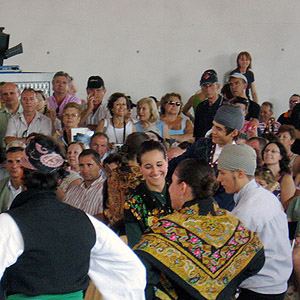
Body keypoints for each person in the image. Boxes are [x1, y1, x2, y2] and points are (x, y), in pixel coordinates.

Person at [0, 134, 146, 299]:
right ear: (60, 179)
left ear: (21, 175)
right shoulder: (86, 221)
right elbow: (131, 270)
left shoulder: (9, 223)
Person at [135, 158, 265, 300]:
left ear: (183, 187)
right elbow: (257, 257)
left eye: (172, 182)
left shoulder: (166, 229)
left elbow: (140, 272)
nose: (170, 188)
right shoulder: (231, 222)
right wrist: (228, 285)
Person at [217, 144, 293, 299]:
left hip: (261, 289)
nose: (219, 179)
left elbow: (227, 257)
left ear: (239, 174)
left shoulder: (249, 209)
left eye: (222, 173)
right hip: (276, 282)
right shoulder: (264, 195)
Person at [168, 104, 244, 211]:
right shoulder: (203, 145)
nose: (213, 131)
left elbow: (226, 198)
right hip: (184, 204)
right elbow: (177, 164)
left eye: (219, 129)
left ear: (234, 133)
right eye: (213, 126)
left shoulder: (237, 160)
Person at [124, 140, 173, 248]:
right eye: (148, 167)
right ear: (140, 167)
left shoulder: (181, 190)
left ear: (167, 162)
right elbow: (136, 244)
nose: (155, 172)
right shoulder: (133, 202)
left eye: (159, 165)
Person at [103, 132, 149, 235]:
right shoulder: (145, 177)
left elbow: (106, 208)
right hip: (139, 234)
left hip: (115, 234)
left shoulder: (112, 177)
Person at [63, 149, 105, 221]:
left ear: (99, 166)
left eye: (89, 165)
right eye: (81, 165)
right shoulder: (72, 191)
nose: (85, 170)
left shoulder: (106, 190)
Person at [262, 141, 296, 209]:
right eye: (266, 151)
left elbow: (287, 206)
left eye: (273, 151)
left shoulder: (285, 178)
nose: (268, 153)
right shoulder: (258, 175)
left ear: (280, 156)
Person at [193, 69, 225, 140]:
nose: (208, 89)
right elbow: (197, 133)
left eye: (211, 85)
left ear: (217, 86)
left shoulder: (226, 106)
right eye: (205, 86)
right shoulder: (200, 107)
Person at [0, 83, 23, 160]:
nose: (9, 96)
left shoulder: (29, 113)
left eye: (12, 93)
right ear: (1, 97)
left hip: (25, 158)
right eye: (5, 94)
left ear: (19, 94)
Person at [0, 146, 24, 212]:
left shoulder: (33, 186)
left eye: (18, 161)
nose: (14, 166)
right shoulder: (1, 185)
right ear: (5, 164)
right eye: (10, 162)